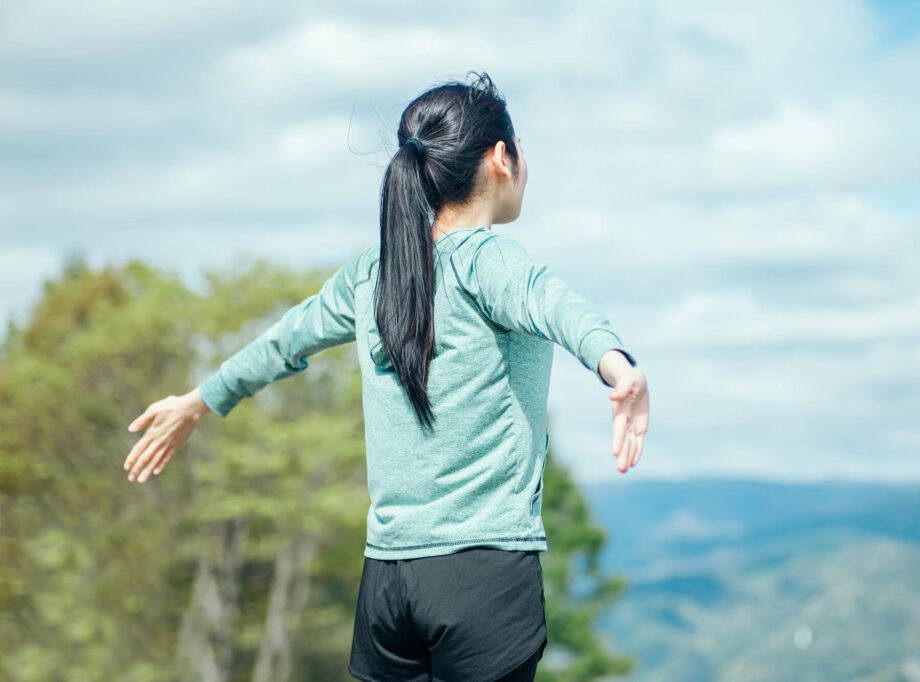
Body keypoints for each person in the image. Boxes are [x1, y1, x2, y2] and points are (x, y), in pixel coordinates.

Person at [122, 71, 649, 682]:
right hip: (481, 574)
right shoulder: (489, 259)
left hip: (387, 586)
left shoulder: (374, 271)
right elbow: (556, 305)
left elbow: (283, 342)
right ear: (501, 158)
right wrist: (619, 364)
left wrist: (199, 401)